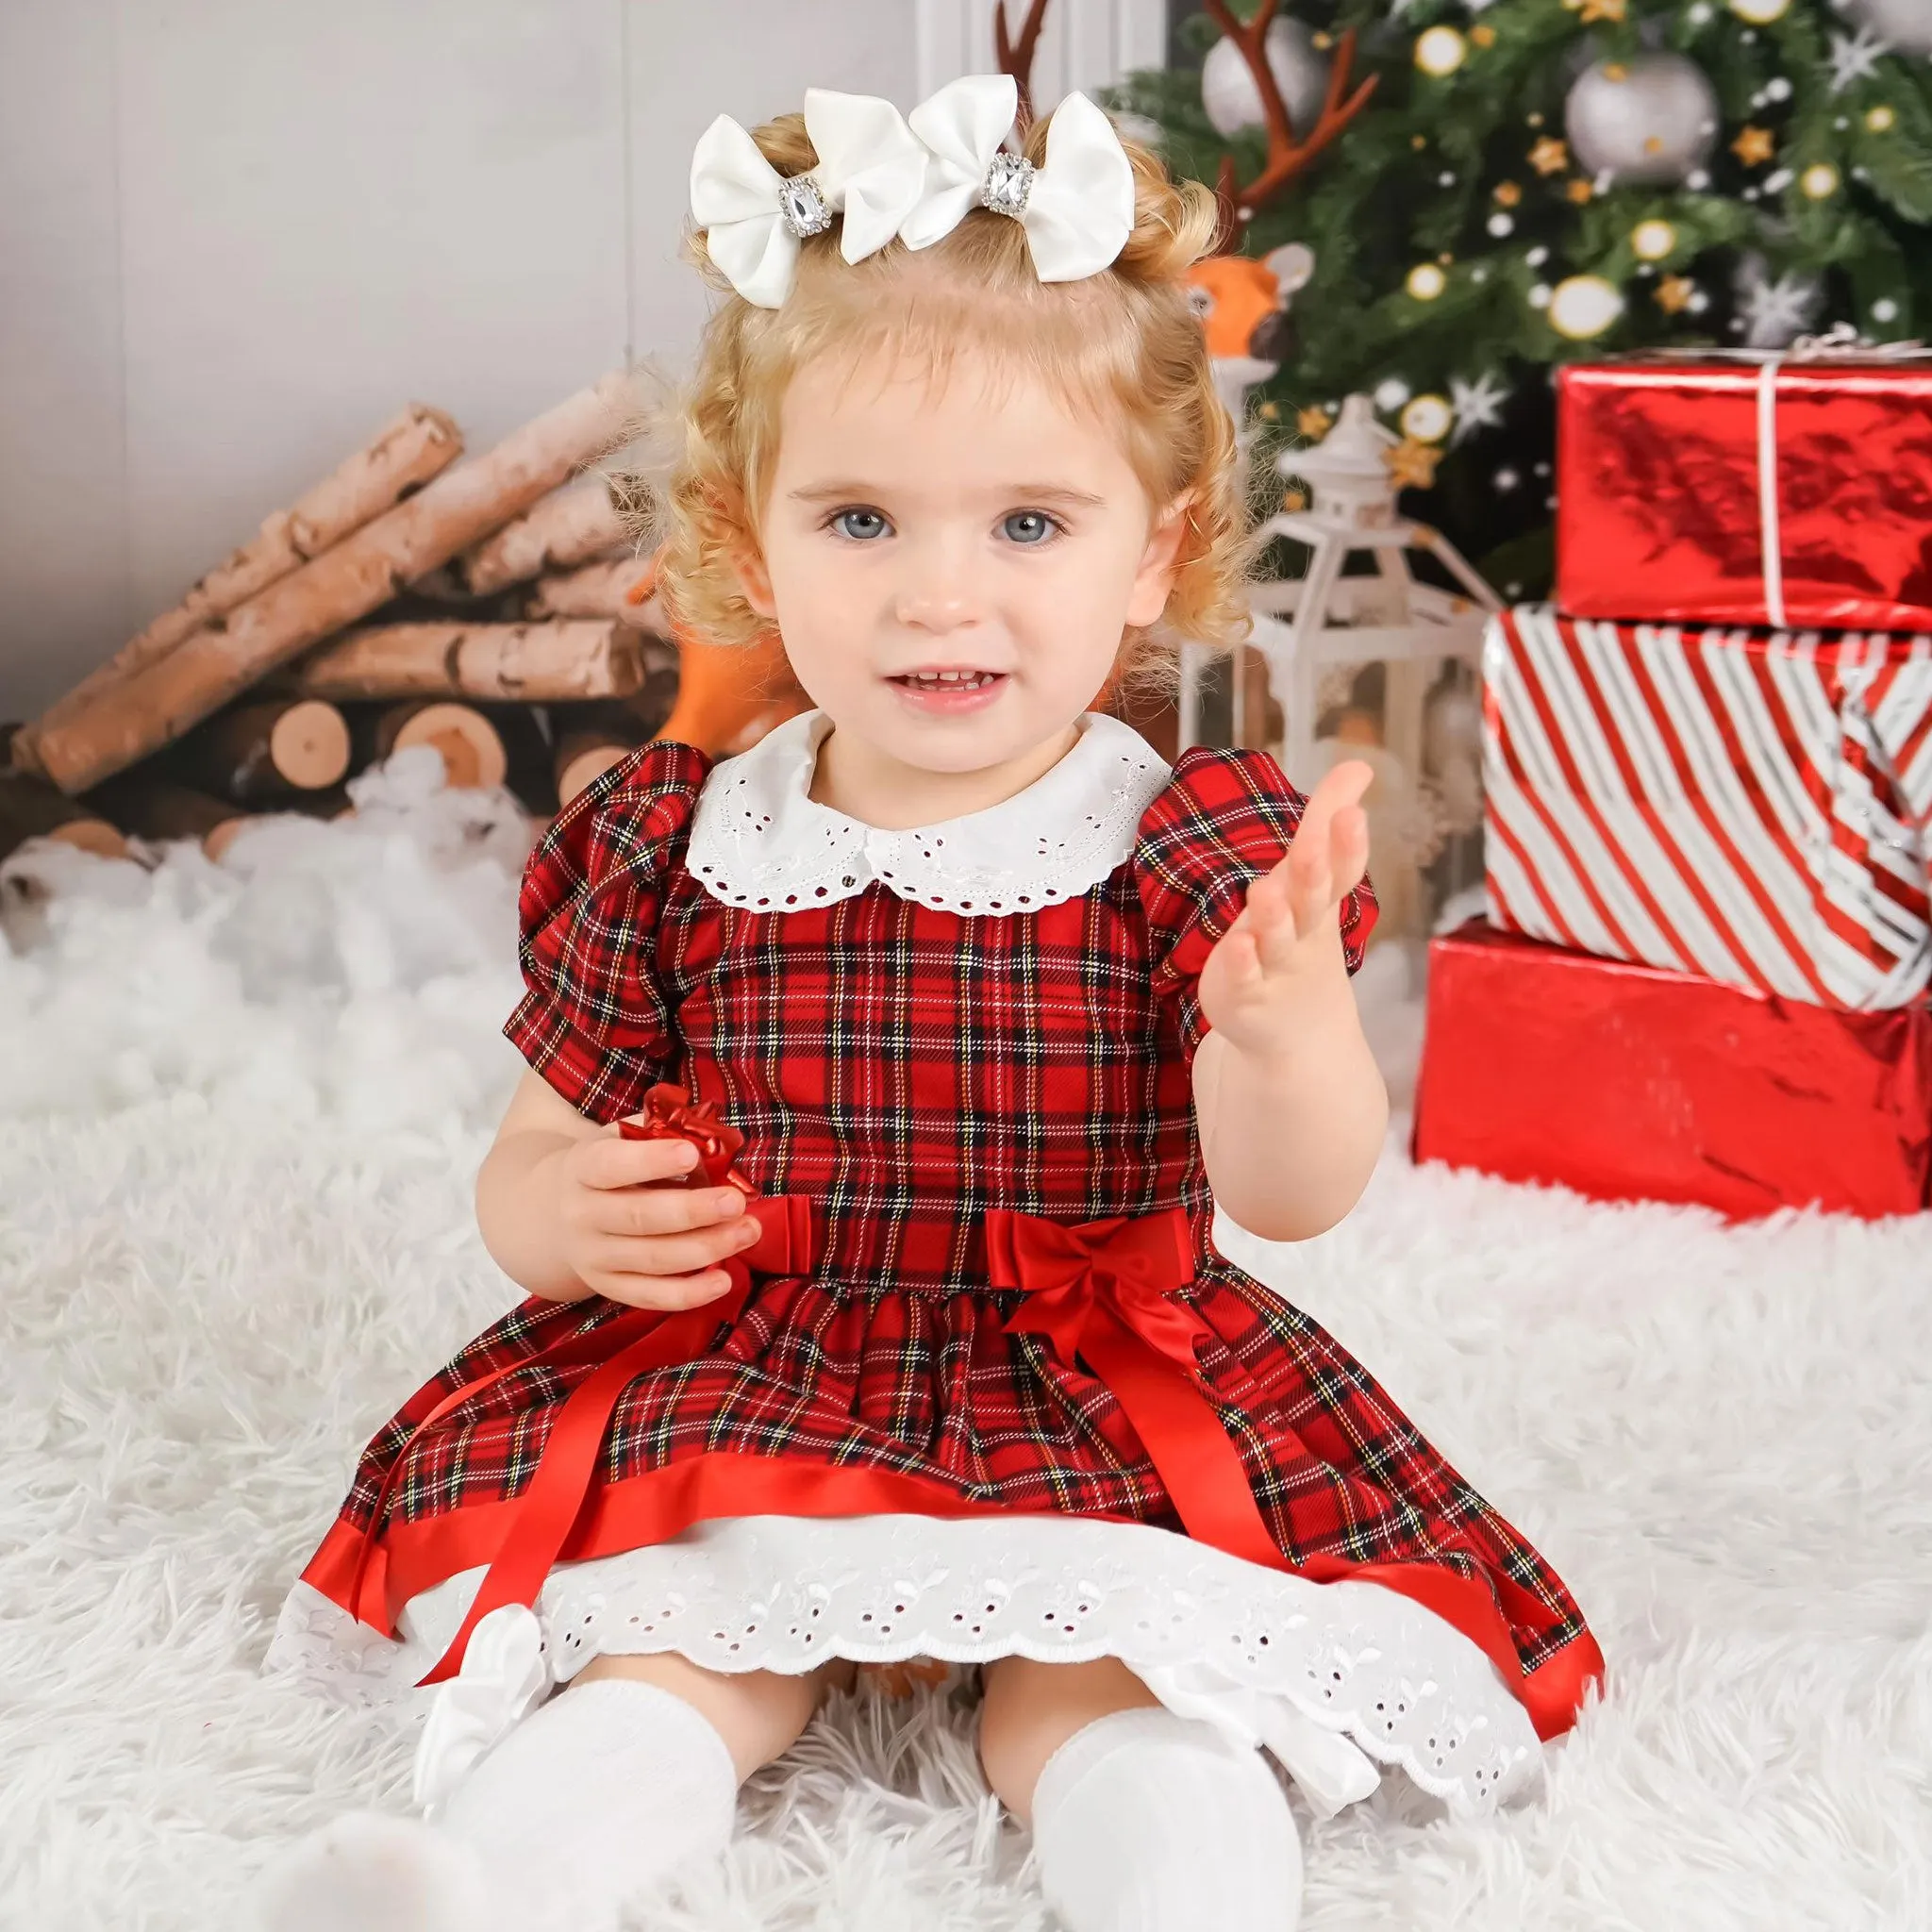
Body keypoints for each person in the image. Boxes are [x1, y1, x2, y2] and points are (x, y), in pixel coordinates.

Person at [253, 74, 1603, 1932]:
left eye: (1030, 527)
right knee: (674, 1663)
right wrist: (558, 1217)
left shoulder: (1183, 842)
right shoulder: (677, 837)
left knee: (1118, 1681)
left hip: (1083, 1371)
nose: (937, 594)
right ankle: (477, 1886)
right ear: (751, 530)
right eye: (863, 519)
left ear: (1152, 545)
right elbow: (531, 1163)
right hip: (760, 1357)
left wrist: (1280, 1035)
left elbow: (1288, 1198)